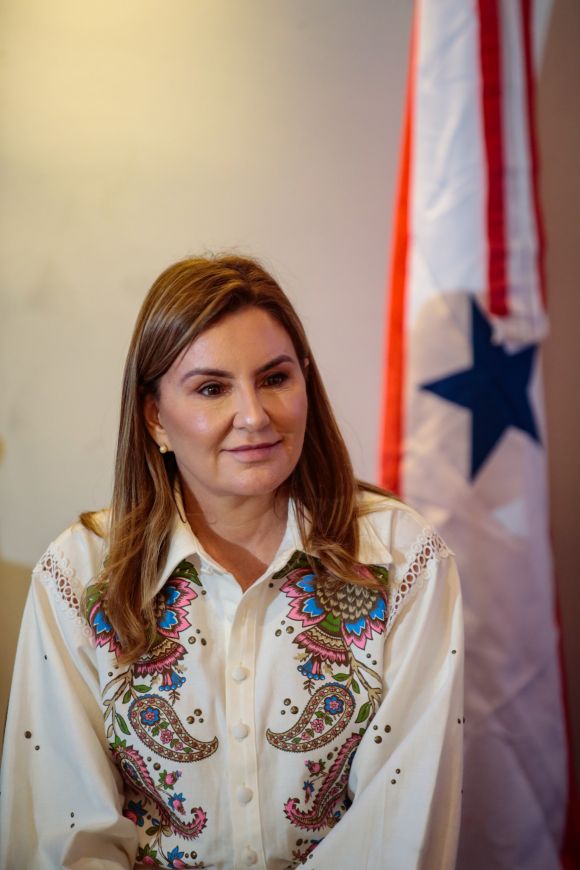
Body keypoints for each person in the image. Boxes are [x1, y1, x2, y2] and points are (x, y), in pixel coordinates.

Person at [0, 255, 463, 869]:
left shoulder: (402, 559)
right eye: (212, 388)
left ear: (306, 382)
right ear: (155, 417)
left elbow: (400, 825)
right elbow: (64, 831)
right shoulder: (79, 575)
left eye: (275, 378)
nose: (254, 416)